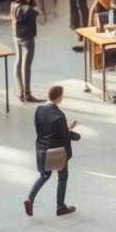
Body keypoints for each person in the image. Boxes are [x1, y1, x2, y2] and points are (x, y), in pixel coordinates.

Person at [25, 85, 79, 217]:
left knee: (44, 175)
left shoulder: (39, 109)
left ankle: (30, 199)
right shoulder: (60, 116)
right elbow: (65, 136)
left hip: (42, 149)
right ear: (59, 98)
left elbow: (40, 130)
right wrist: (76, 135)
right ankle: (60, 207)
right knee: (63, 178)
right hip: (57, 152)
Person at [11, 0, 40, 103]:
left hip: (16, 36)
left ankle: (20, 91)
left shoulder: (13, 5)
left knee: (18, 61)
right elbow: (38, 10)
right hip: (27, 38)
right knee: (26, 66)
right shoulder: (28, 9)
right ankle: (27, 94)